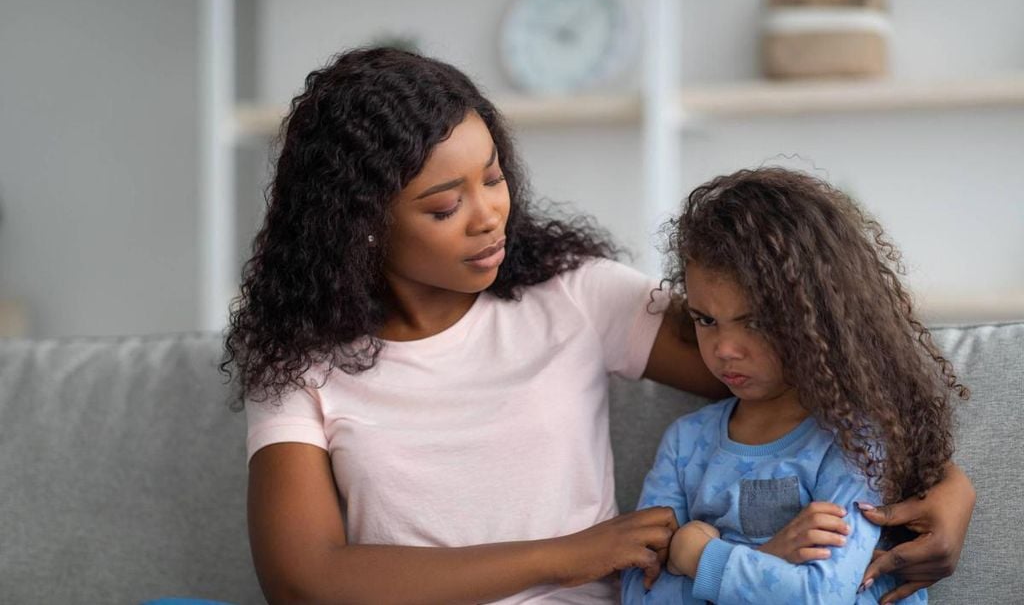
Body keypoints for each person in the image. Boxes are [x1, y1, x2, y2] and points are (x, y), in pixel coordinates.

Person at [222, 48, 974, 604]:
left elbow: (805, 351)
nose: (491, 215)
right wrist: (570, 555)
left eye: (494, 176)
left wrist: (945, 482)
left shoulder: (575, 296)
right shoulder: (299, 365)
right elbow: (306, 579)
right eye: (445, 205)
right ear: (359, 227)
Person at [621, 168, 970, 604]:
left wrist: (695, 554)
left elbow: (821, 595)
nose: (725, 348)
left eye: (756, 322)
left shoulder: (855, 441)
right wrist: (768, 555)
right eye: (706, 320)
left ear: (818, 319)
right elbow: (639, 595)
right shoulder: (684, 443)